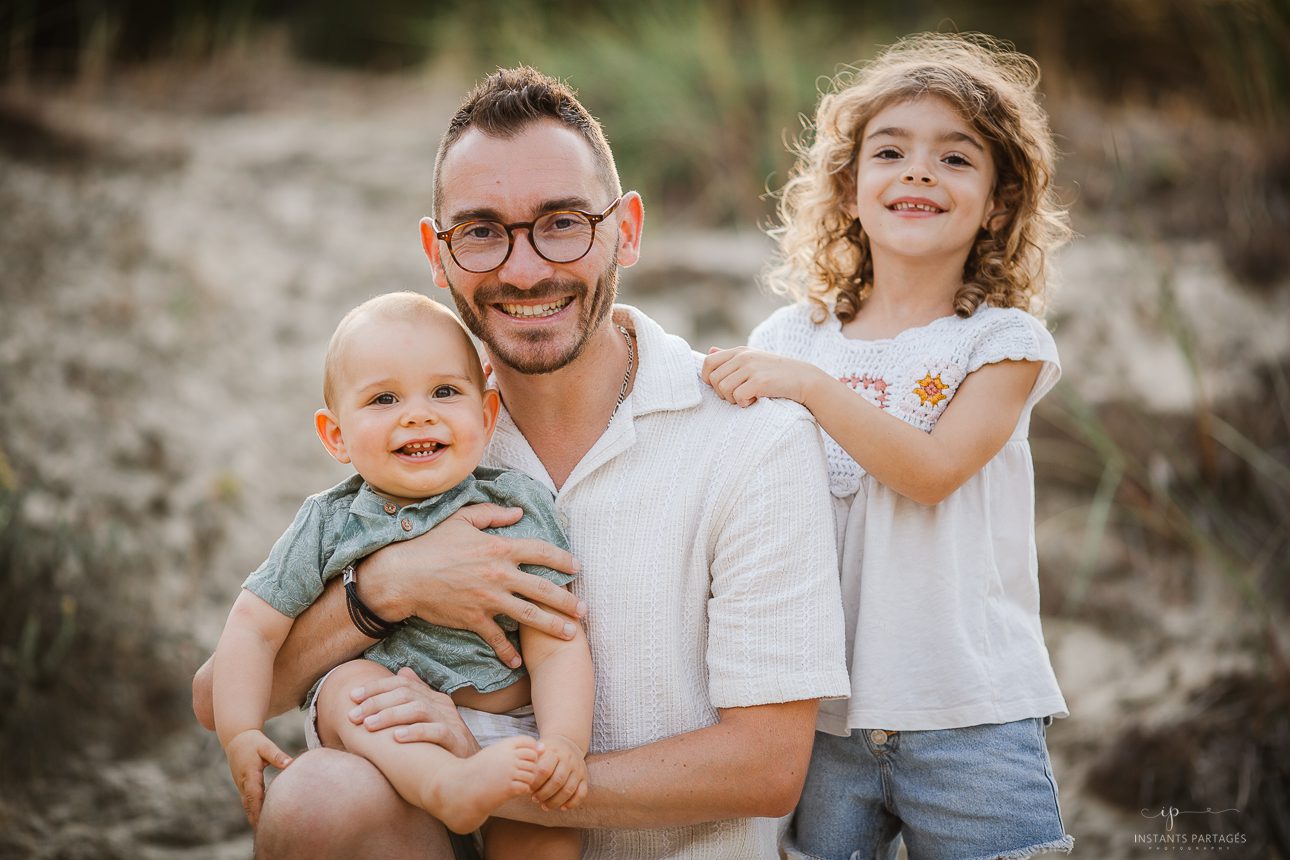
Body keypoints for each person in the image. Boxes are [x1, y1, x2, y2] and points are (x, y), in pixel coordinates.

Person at [193, 65, 849, 860]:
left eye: (563, 221)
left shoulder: (753, 440)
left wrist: (489, 773)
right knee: (313, 802)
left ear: (626, 231)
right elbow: (220, 694)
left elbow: (767, 769)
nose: (525, 268)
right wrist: (387, 588)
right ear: (437, 254)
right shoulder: (423, 436)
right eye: (481, 230)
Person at [702, 32, 1075, 860]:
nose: (918, 172)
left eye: (955, 158)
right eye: (891, 152)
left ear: (999, 205)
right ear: (849, 187)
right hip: (820, 720)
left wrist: (810, 387)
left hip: (968, 714)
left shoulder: (1004, 344)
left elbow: (932, 472)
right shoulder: (790, 335)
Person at [212, 292, 591, 859]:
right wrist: (239, 730)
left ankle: (471, 788)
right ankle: (444, 786)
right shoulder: (329, 523)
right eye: (384, 399)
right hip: (388, 737)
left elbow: (557, 641)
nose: (419, 414)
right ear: (336, 435)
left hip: (506, 734)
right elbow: (251, 627)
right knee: (344, 687)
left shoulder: (513, 507)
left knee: (549, 838)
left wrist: (563, 741)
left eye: (445, 391)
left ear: (486, 416)